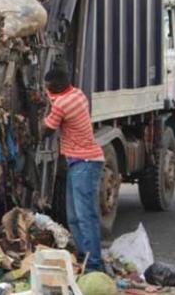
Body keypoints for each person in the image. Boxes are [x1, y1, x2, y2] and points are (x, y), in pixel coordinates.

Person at [41, 61, 105, 272]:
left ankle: (94, 265)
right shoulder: (77, 94)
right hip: (80, 162)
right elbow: (57, 99)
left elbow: (46, 130)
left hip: (85, 163)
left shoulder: (62, 105)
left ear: (53, 88)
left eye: (47, 86)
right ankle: (83, 258)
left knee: (85, 216)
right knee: (74, 217)